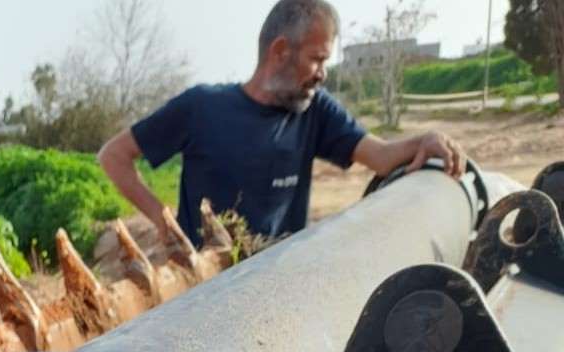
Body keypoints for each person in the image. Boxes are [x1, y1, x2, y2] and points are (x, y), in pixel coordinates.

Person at [98, 0, 468, 263]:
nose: (323, 73)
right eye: (317, 59)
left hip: (276, 284)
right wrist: (166, 227)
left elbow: (381, 156)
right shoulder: (201, 108)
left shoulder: (315, 111)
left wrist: (426, 140)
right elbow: (113, 156)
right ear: (280, 51)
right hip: (202, 291)